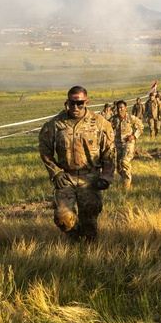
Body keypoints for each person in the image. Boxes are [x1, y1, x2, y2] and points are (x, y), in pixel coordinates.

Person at [38, 86, 115, 242]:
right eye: (71, 103)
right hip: (66, 178)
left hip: (90, 179)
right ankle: (76, 240)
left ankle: (87, 252)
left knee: (89, 222)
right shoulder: (56, 124)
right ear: (67, 102)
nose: (75, 107)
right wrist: (56, 172)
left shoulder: (99, 123)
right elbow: (45, 149)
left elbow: (109, 152)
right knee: (62, 218)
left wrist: (106, 177)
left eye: (79, 103)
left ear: (86, 102)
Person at [109, 100, 143, 189]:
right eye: (118, 108)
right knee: (119, 167)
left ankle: (126, 185)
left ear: (126, 108)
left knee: (125, 161)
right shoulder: (114, 119)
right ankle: (124, 178)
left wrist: (134, 136)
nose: (120, 110)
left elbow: (141, 126)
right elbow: (107, 128)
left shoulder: (131, 118)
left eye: (122, 108)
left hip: (128, 143)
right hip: (118, 144)